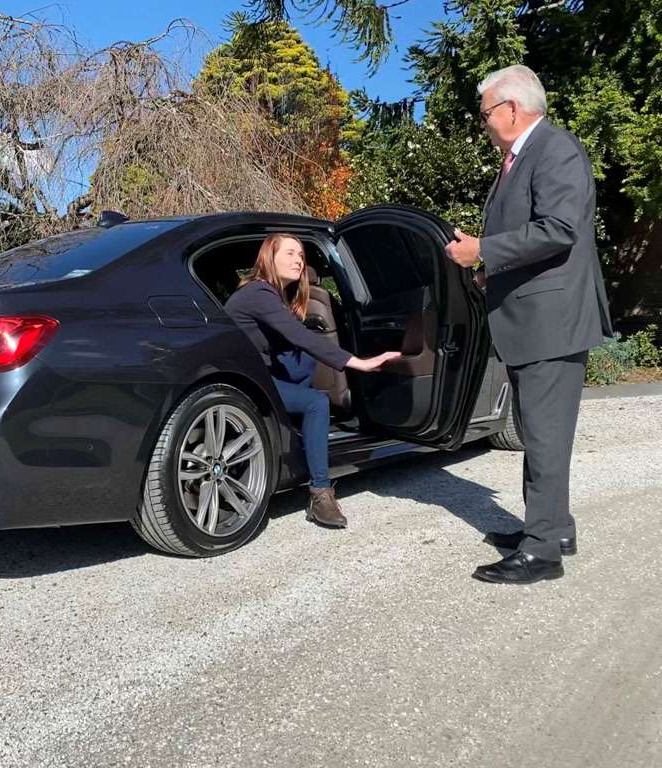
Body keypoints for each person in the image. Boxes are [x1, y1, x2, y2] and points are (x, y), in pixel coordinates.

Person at [444, 64, 613, 584]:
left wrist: (483, 251)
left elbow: (559, 229)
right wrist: (487, 270)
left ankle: (542, 553)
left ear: (512, 109)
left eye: (486, 112)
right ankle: (553, 527)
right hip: (534, 320)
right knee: (542, 432)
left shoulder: (555, 150)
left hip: (552, 322)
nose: (484, 122)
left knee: (543, 435)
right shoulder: (522, 158)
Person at [224, 234, 401, 528]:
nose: (299, 260)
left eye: (302, 256)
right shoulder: (258, 293)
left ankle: (300, 436)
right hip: (245, 385)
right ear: (270, 256)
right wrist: (359, 363)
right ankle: (320, 493)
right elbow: (301, 336)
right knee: (317, 401)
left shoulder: (267, 295)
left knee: (303, 359)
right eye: (291, 253)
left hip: (254, 377)